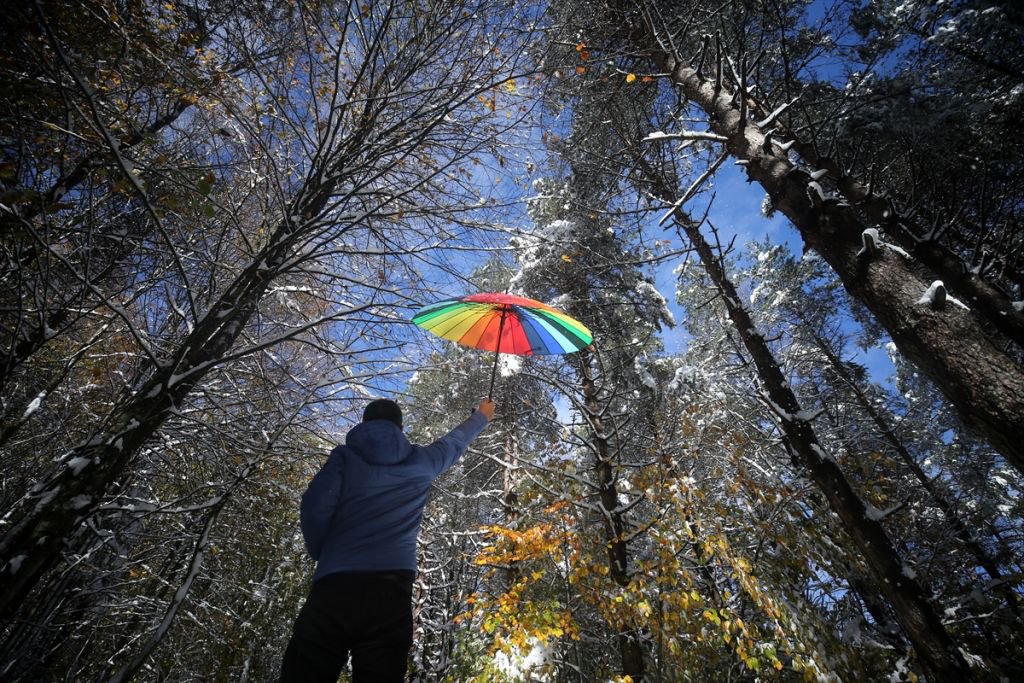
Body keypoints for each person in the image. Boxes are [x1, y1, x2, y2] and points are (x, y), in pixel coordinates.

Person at [280, 397, 494, 682]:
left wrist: (324, 552)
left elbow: (315, 504)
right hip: (391, 591)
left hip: (334, 586)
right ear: (400, 427)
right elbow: (454, 442)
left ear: (364, 423)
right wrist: (481, 416)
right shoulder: (421, 462)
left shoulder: (344, 457)